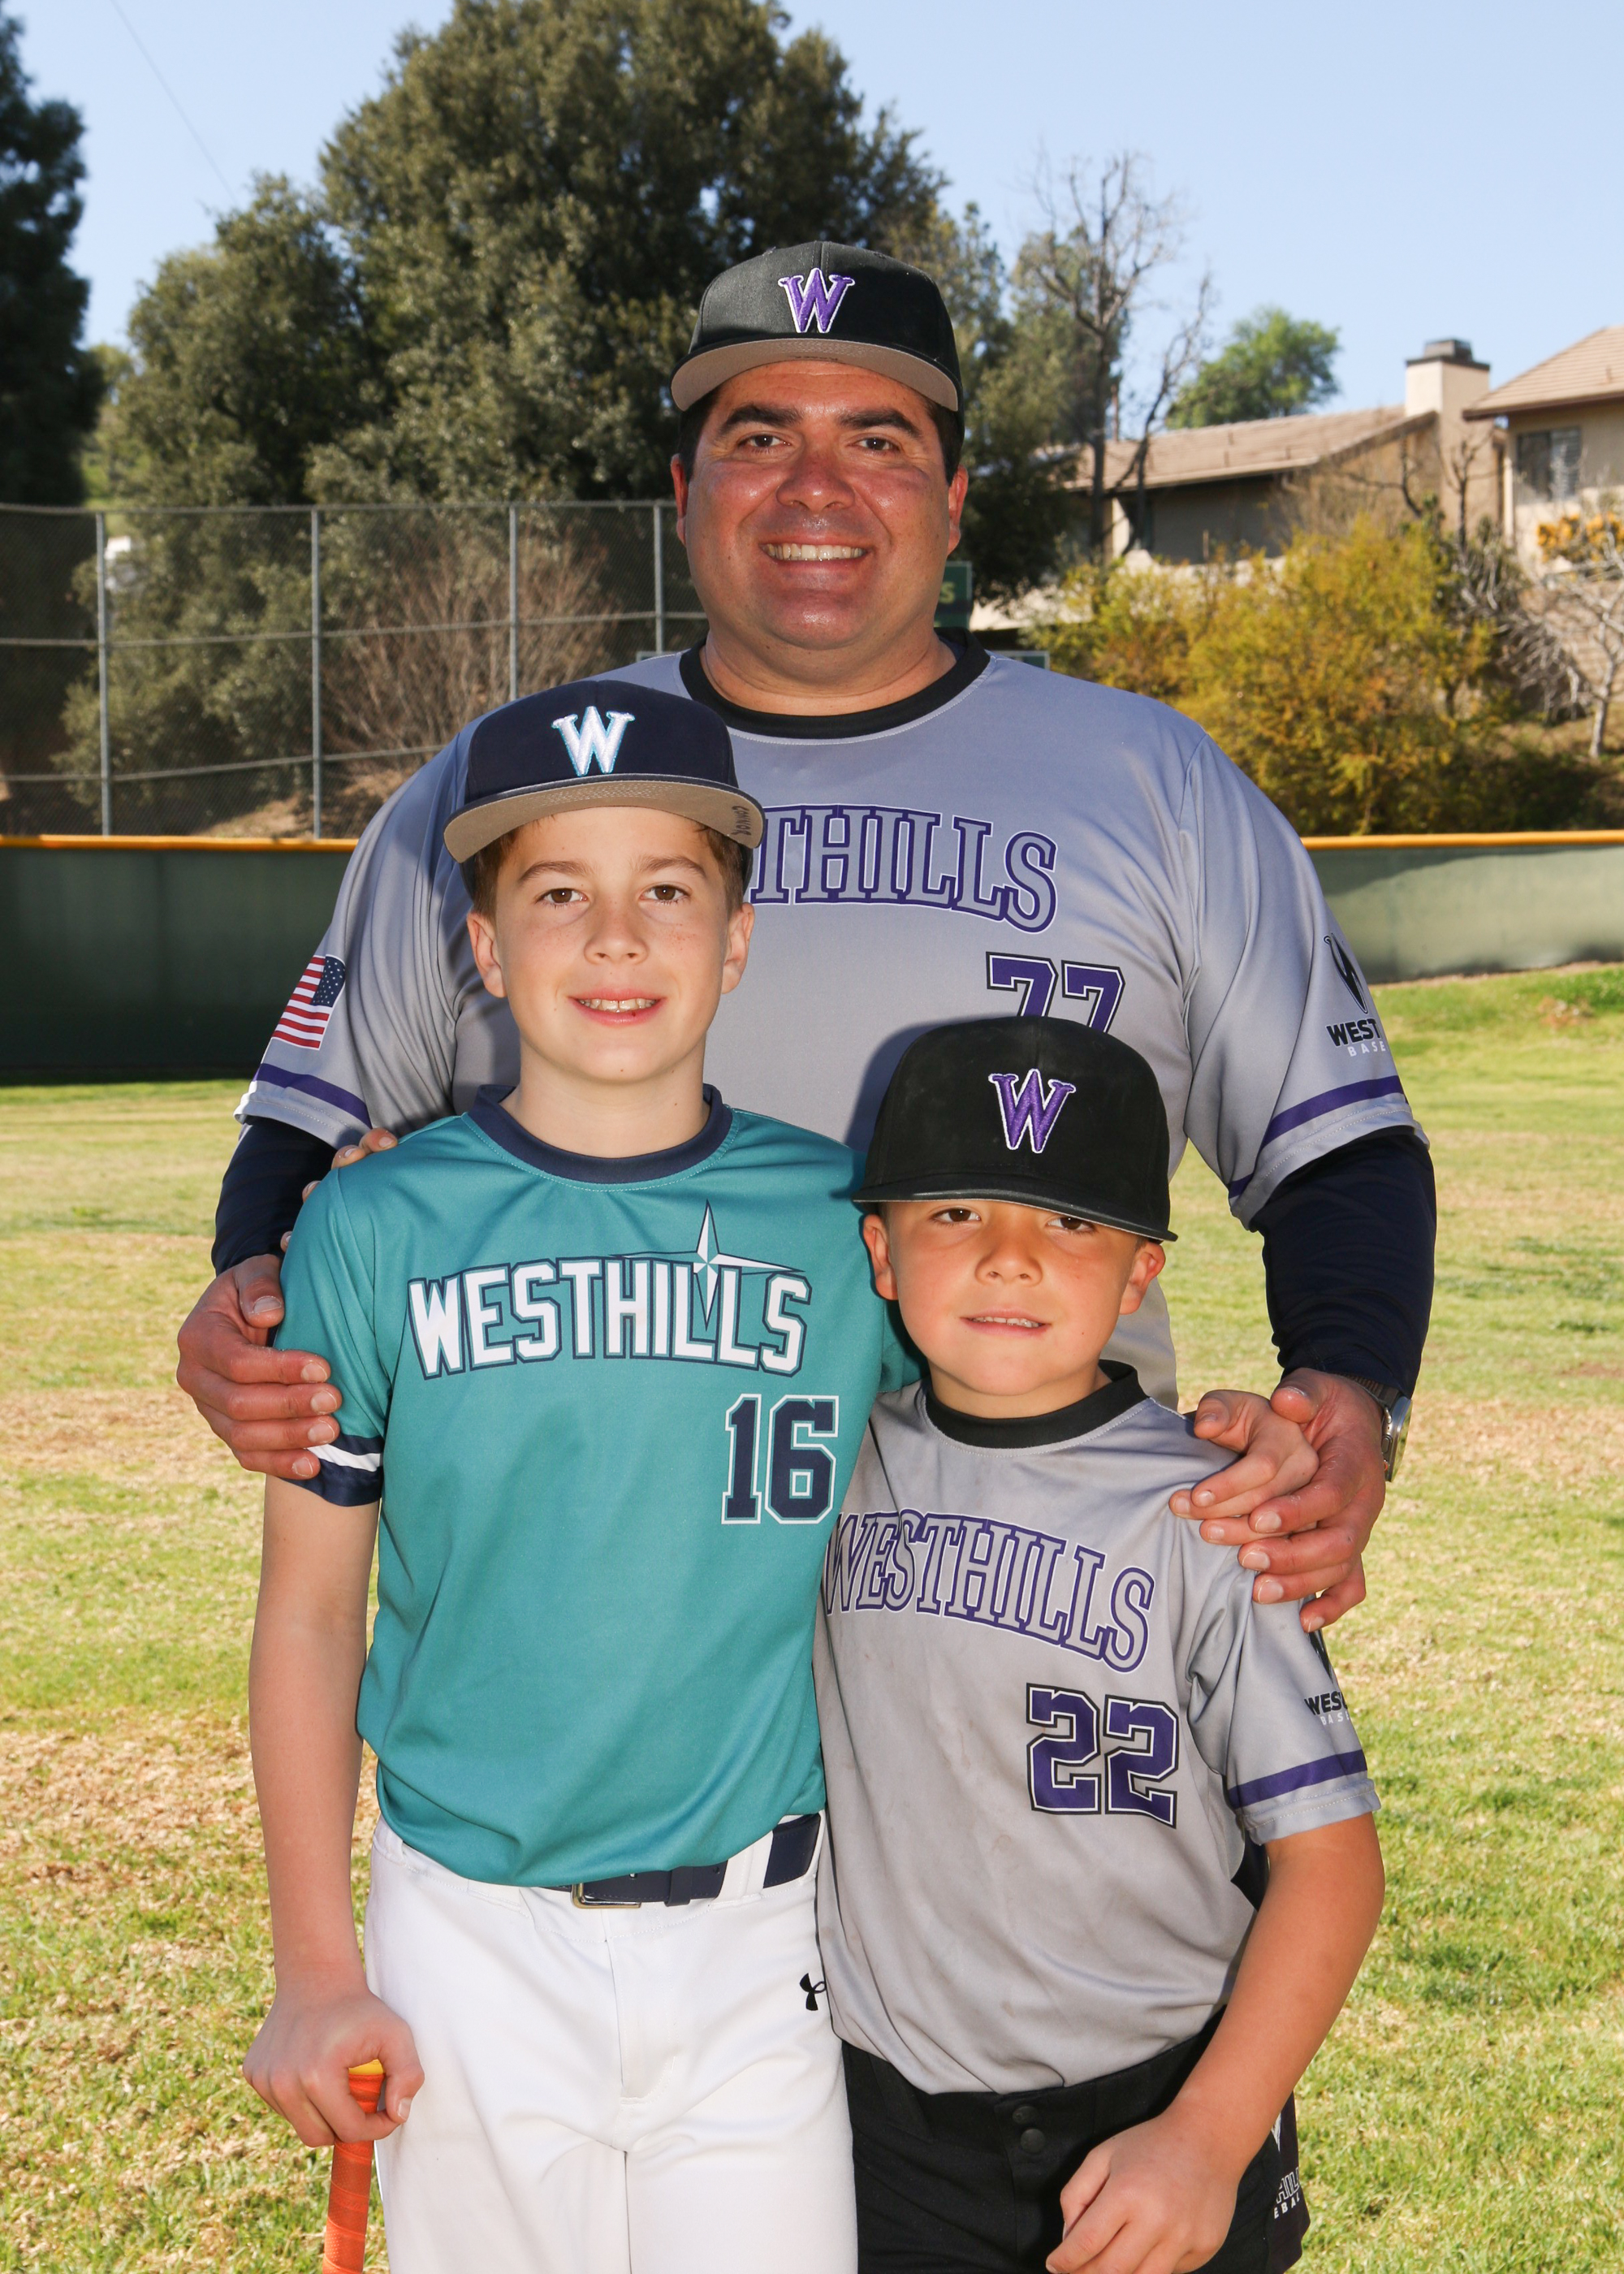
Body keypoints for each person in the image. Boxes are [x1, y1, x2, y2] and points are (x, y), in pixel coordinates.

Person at [179, 238, 1435, 1629]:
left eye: (879, 440)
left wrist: (1351, 1390)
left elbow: (1339, 1149)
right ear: (685, 494)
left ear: (955, 499)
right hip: (584, 1615)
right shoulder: (504, 786)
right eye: (760, 436)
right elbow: (308, 1124)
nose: (816, 488)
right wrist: (254, 1297)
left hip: (1021, 1597)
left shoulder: (1159, 784)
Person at [244, 681, 902, 2274]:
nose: (615, 937)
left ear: (736, 941)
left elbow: (1026, 1409)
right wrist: (316, 1967)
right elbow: (312, 1614)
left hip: (766, 1931)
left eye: (667, 890)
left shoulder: (851, 1224)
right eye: (556, 895)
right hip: (469, 1928)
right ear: (483, 946)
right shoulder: (375, 1225)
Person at [813, 1017, 1384, 2274]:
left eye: (1071, 1221)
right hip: (891, 2128)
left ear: (1139, 1277)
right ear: (882, 1250)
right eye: (956, 1212)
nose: (1012, 1259)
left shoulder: (1217, 1511)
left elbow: (1332, 1863)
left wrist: (1210, 2138)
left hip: (1168, 2093)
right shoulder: (830, 1467)